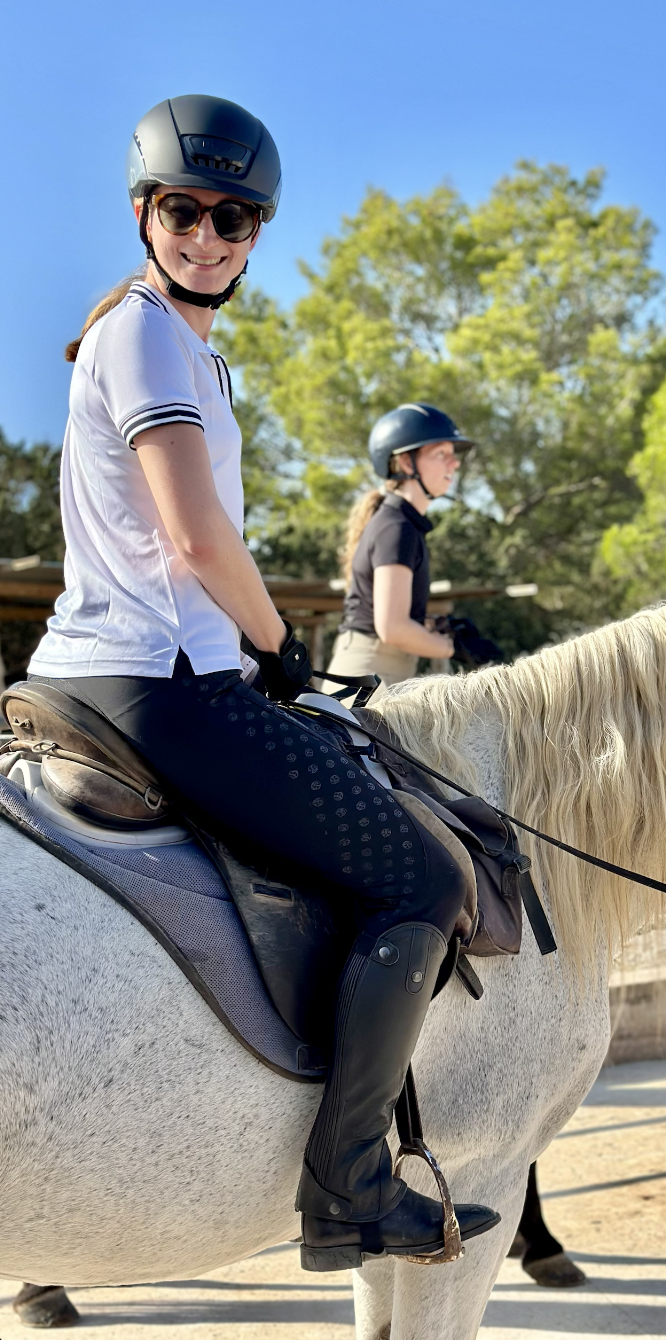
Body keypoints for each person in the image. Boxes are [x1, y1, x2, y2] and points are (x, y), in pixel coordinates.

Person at [25, 94, 499, 1272]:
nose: (208, 236)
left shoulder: (182, 347)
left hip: (129, 670)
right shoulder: (143, 335)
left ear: (256, 230)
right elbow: (195, 537)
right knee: (425, 876)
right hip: (158, 686)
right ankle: (347, 1185)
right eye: (185, 210)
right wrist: (277, 644)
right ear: (145, 212)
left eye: (234, 218)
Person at [328, 403, 502, 691]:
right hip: (370, 675)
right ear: (407, 463)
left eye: (452, 455)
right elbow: (392, 627)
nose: (454, 463)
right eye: (441, 454)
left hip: (378, 673)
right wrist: (450, 646)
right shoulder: (397, 527)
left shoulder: (400, 522)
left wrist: (435, 625)